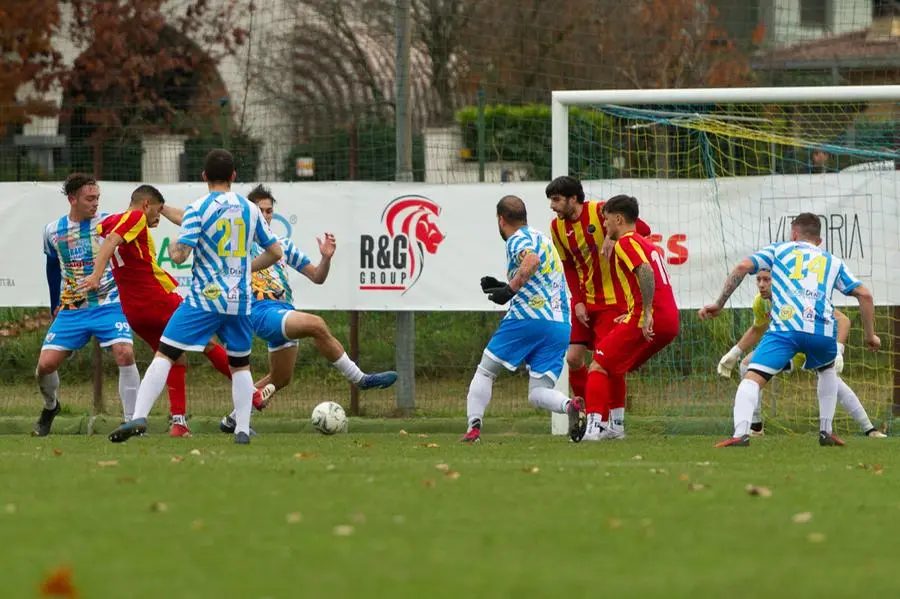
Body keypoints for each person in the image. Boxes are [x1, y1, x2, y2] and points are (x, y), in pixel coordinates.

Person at [108, 149, 283, 445]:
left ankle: (138, 416)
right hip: (239, 299)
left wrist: (176, 247)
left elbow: (179, 255)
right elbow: (275, 252)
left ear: (203, 177)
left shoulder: (198, 208)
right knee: (240, 364)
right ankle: (241, 429)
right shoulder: (250, 209)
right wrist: (243, 269)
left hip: (205, 299)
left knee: (165, 353)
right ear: (233, 176)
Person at [216, 185, 397, 433]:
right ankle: (360, 379)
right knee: (316, 324)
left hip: (282, 311)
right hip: (260, 311)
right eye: (261, 211)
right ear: (250, 214)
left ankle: (233, 419)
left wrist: (326, 258)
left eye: (270, 211)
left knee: (280, 378)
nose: (266, 215)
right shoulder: (240, 246)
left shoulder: (281, 244)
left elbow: (317, 277)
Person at [699, 212, 880, 447]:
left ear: (794, 234)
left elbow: (743, 266)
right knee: (827, 372)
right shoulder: (833, 261)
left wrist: (719, 303)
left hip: (786, 330)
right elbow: (864, 294)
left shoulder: (780, 250)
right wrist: (870, 335)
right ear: (819, 240)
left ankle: (741, 433)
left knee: (751, 377)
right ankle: (826, 431)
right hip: (822, 332)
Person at [462, 195, 585, 443]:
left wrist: (510, 290)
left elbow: (531, 260)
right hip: (560, 324)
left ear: (501, 220)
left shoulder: (516, 239)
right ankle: (569, 405)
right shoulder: (544, 239)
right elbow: (540, 272)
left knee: (485, 372)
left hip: (528, 318)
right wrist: (506, 284)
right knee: (538, 391)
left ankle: (473, 428)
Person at [716, 269, 884, 438]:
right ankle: (756, 426)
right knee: (746, 365)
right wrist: (734, 352)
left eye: (767, 280)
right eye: (758, 279)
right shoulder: (761, 303)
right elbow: (757, 328)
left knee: (834, 381)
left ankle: (868, 428)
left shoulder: (800, 298)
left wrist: (839, 351)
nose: (761, 284)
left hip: (813, 346)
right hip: (787, 350)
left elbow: (844, 321)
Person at [36, 174, 139, 437]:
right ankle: (51, 407)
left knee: (125, 353)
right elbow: (52, 268)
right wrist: (54, 305)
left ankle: (133, 422)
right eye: (89, 198)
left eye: (97, 198)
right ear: (72, 200)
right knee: (45, 366)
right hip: (73, 309)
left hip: (110, 304)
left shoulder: (108, 223)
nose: (95, 203)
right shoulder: (52, 231)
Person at [546, 176, 652, 424]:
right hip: (584, 301)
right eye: (551, 200)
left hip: (612, 301)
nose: (553, 205)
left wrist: (613, 237)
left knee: (607, 361)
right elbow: (569, 267)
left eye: (557, 200)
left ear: (573, 199)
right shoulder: (556, 227)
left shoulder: (600, 212)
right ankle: (585, 410)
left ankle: (609, 421)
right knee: (573, 358)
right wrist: (578, 300)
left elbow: (641, 228)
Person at [582, 195, 680, 441]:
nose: (604, 226)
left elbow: (645, 272)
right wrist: (634, 310)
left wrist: (645, 313)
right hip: (668, 319)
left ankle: (593, 428)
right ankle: (616, 427)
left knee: (598, 364)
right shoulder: (647, 244)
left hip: (649, 317)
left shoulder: (626, 242)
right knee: (613, 365)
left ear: (618, 218)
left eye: (606, 220)